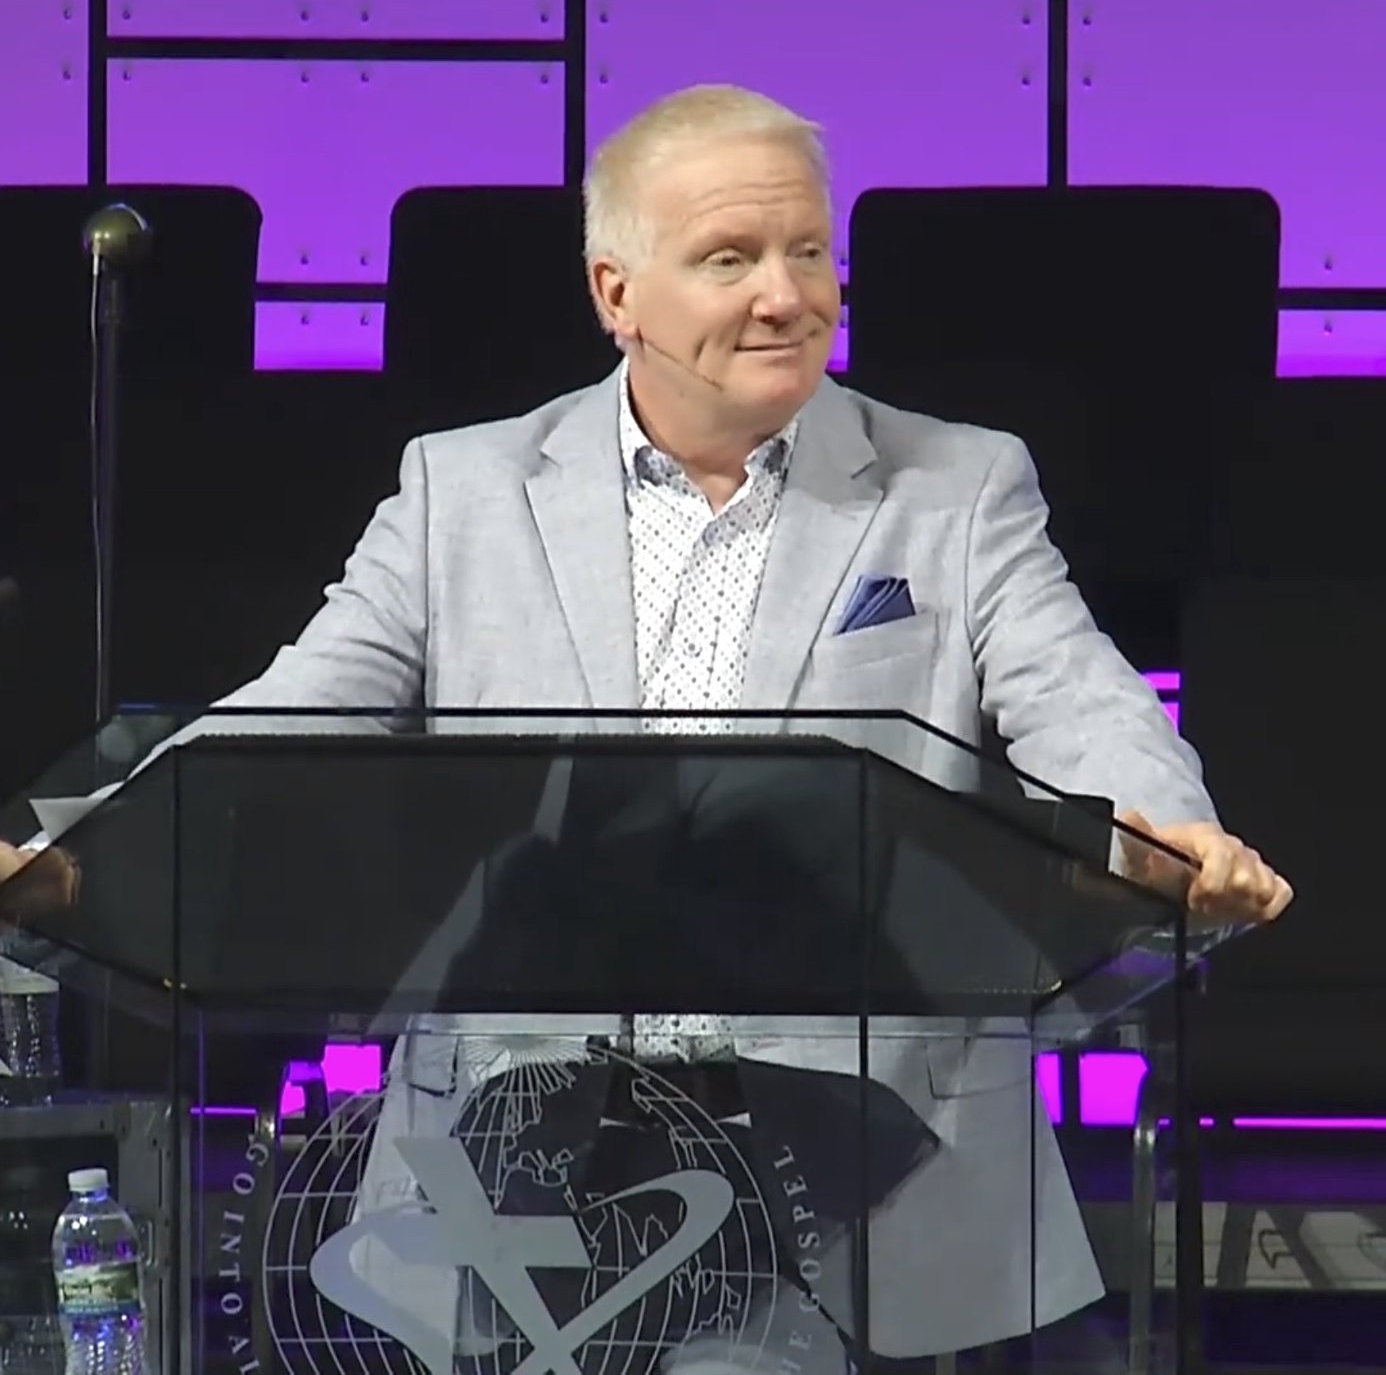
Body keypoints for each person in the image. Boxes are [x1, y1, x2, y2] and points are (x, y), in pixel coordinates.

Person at [1, 84, 1291, 1362]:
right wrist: (85, 853)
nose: (786, 295)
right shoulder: (464, 490)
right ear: (616, 293)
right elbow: (290, 714)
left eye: (808, 251)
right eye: (731, 259)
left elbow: (1080, 694)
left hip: (856, 1149)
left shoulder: (955, 486)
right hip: (526, 1137)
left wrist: (1168, 832)